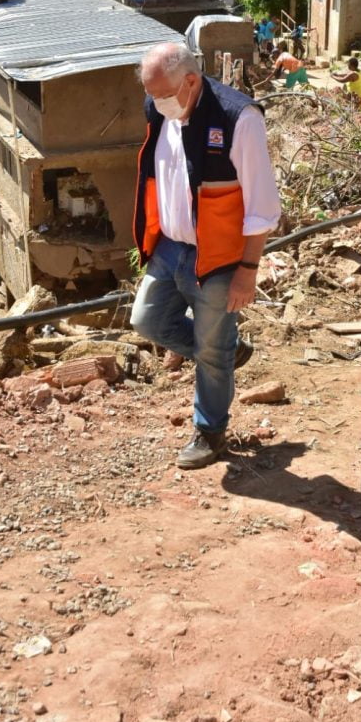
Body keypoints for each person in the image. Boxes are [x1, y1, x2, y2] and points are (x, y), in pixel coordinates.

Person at [131, 42, 281, 469]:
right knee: (147, 320)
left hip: (217, 257)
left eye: (162, 94)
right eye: (151, 94)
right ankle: (224, 353)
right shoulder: (160, 110)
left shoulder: (238, 118)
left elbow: (263, 208)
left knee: (212, 351)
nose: (155, 104)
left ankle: (210, 432)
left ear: (192, 81)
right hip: (170, 247)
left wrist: (247, 272)